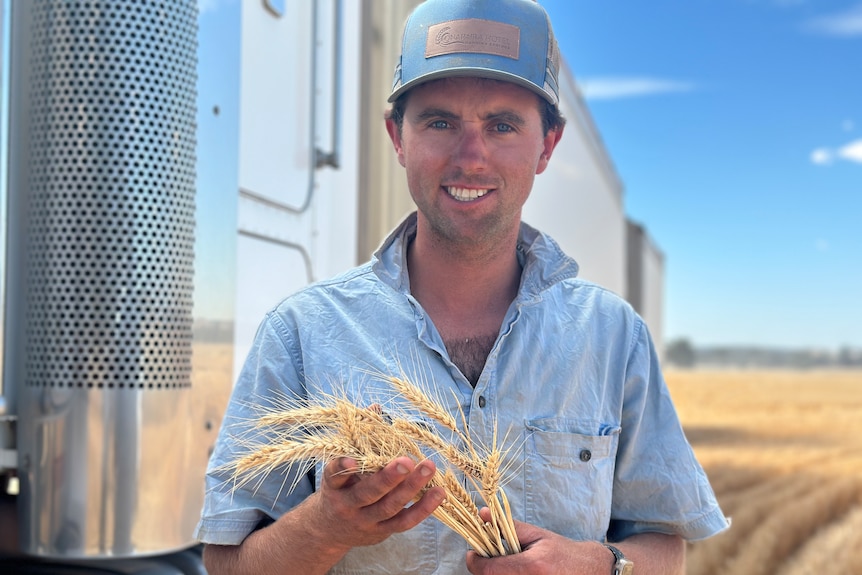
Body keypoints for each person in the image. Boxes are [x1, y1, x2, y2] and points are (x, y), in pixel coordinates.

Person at [195, 0, 730, 573]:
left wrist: (601, 566)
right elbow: (229, 563)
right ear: (398, 138)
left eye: (501, 125)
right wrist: (326, 526)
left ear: (547, 145)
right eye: (439, 122)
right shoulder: (303, 332)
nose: (470, 157)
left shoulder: (612, 334)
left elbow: (663, 545)